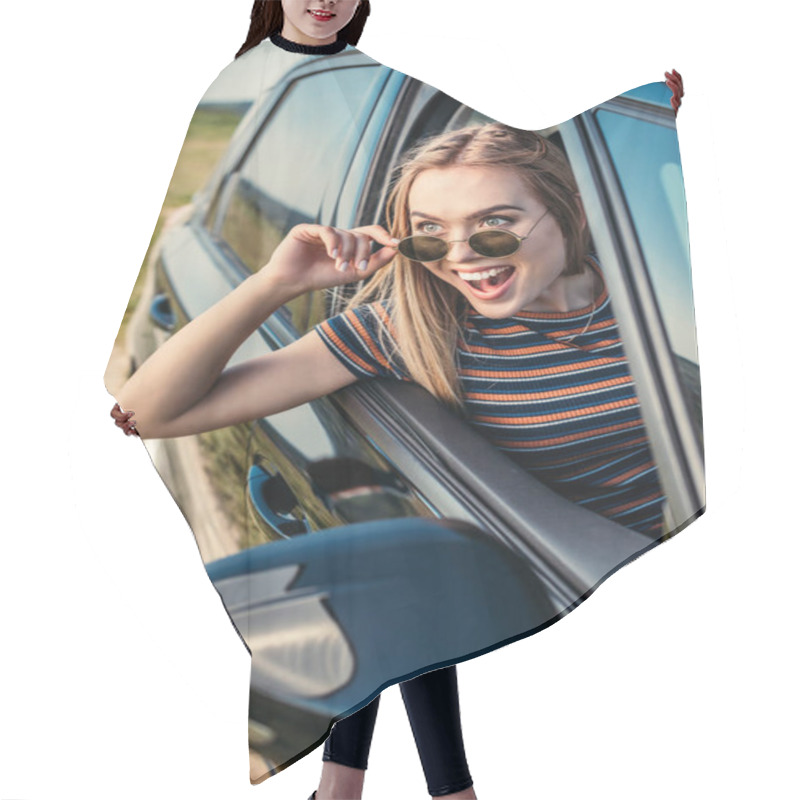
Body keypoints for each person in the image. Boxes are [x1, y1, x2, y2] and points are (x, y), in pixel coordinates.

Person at [109, 3, 687, 797]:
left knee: (416, 554)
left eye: (495, 226)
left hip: (597, 551)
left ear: (571, 212)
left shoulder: (655, 305)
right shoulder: (406, 327)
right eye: (428, 234)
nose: (464, 260)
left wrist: (658, 129)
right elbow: (148, 411)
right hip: (488, 562)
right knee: (424, 553)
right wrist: (278, 281)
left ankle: (352, 787)